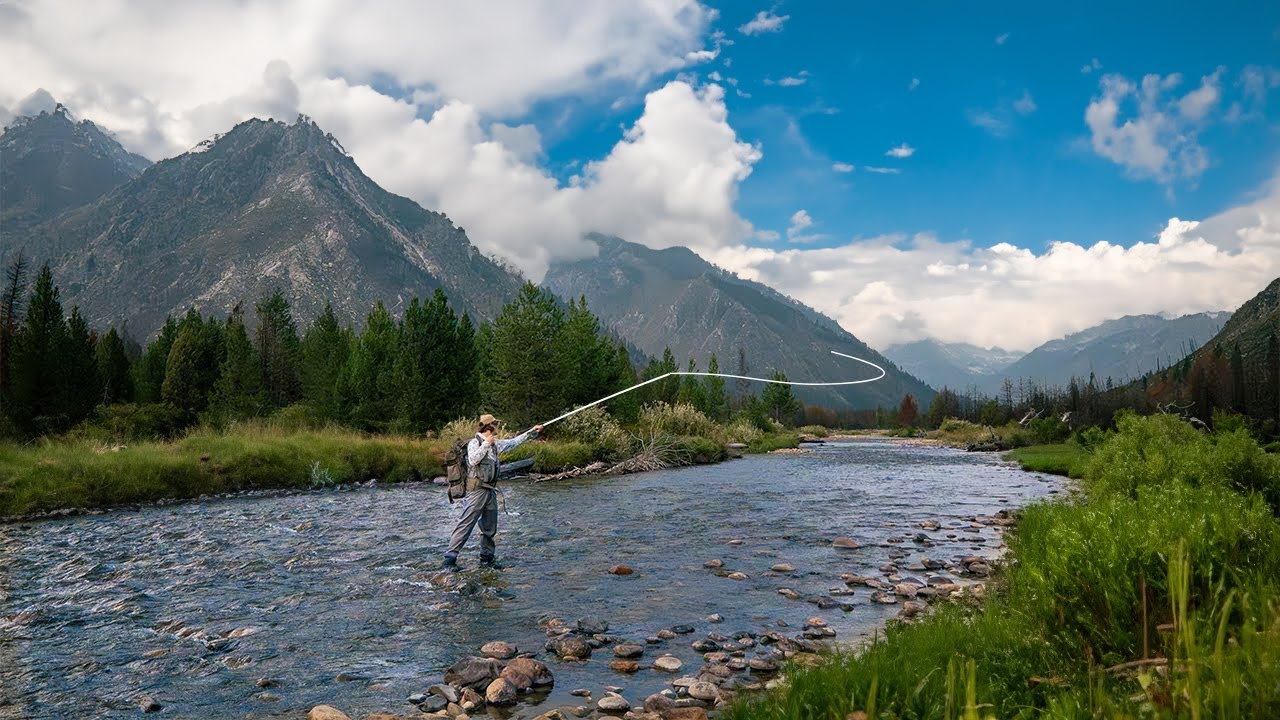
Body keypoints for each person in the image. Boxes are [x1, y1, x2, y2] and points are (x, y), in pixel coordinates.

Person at [443, 413, 542, 570]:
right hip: (476, 491)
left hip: (489, 491)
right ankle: (449, 560)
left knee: (490, 527)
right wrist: (486, 444)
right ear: (489, 427)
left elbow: (513, 442)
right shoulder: (474, 443)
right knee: (466, 523)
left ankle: (487, 559)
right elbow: (473, 459)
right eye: (495, 424)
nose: (497, 427)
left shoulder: (495, 443)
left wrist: (531, 432)